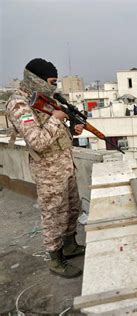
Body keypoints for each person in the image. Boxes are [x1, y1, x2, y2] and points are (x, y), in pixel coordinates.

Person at [6, 58, 85, 278]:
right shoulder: (19, 104)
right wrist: (56, 119)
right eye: (51, 82)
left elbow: (56, 134)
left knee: (71, 208)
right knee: (53, 215)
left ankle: (70, 246)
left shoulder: (43, 99)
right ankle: (56, 260)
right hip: (48, 171)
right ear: (36, 79)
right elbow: (37, 141)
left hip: (65, 165)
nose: (54, 87)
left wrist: (72, 129)